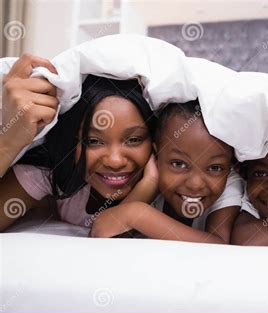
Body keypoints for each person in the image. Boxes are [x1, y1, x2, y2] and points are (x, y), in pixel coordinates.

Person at [0, 61, 158, 230]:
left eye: (133, 140)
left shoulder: (175, 184)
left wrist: (150, 184)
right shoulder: (51, 172)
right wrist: (9, 142)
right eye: (93, 141)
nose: (115, 161)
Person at [90, 100, 244, 244]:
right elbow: (104, 230)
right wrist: (149, 183)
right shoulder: (147, 175)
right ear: (156, 156)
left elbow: (219, 247)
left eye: (215, 168)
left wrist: (137, 215)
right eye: (178, 163)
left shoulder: (230, 183)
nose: (195, 184)